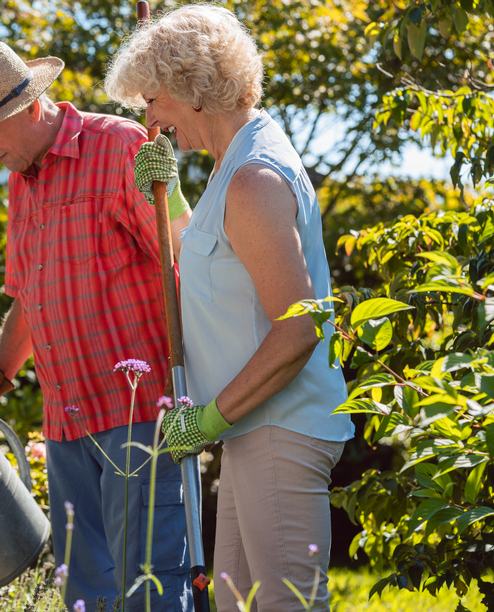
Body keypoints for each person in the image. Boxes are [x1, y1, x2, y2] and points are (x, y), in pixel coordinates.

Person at [105, 6, 355, 612]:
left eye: (154, 100)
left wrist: (209, 419)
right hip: (255, 429)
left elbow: (297, 329)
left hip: (279, 426)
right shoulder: (233, 166)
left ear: (192, 87)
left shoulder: (253, 177)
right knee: (240, 601)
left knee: (286, 603)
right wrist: (171, 200)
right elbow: (215, 266)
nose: (153, 120)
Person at [0, 41, 193, 612]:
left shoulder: (121, 146)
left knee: (148, 591)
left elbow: (183, 263)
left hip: (138, 417)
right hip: (66, 422)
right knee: (87, 597)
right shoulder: (22, 181)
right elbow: (31, 295)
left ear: (30, 107)